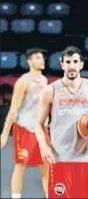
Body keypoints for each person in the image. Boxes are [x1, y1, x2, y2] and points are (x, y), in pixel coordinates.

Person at [35, 46, 88, 198]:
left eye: (75, 61)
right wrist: (43, 146)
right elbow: (38, 124)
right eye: (68, 62)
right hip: (60, 159)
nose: (71, 66)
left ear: (81, 64)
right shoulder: (50, 90)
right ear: (62, 65)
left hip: (87, 158)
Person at [0, 48, 49, 199]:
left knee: (47, 166)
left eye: (42, 58)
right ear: (29, 61)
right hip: (25, 129)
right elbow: (14, 108)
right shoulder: (23, 81)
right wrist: (4, 134)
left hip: (41, 129)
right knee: (20, 166)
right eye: (37, 58)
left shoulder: (44, 81)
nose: (41, 60)